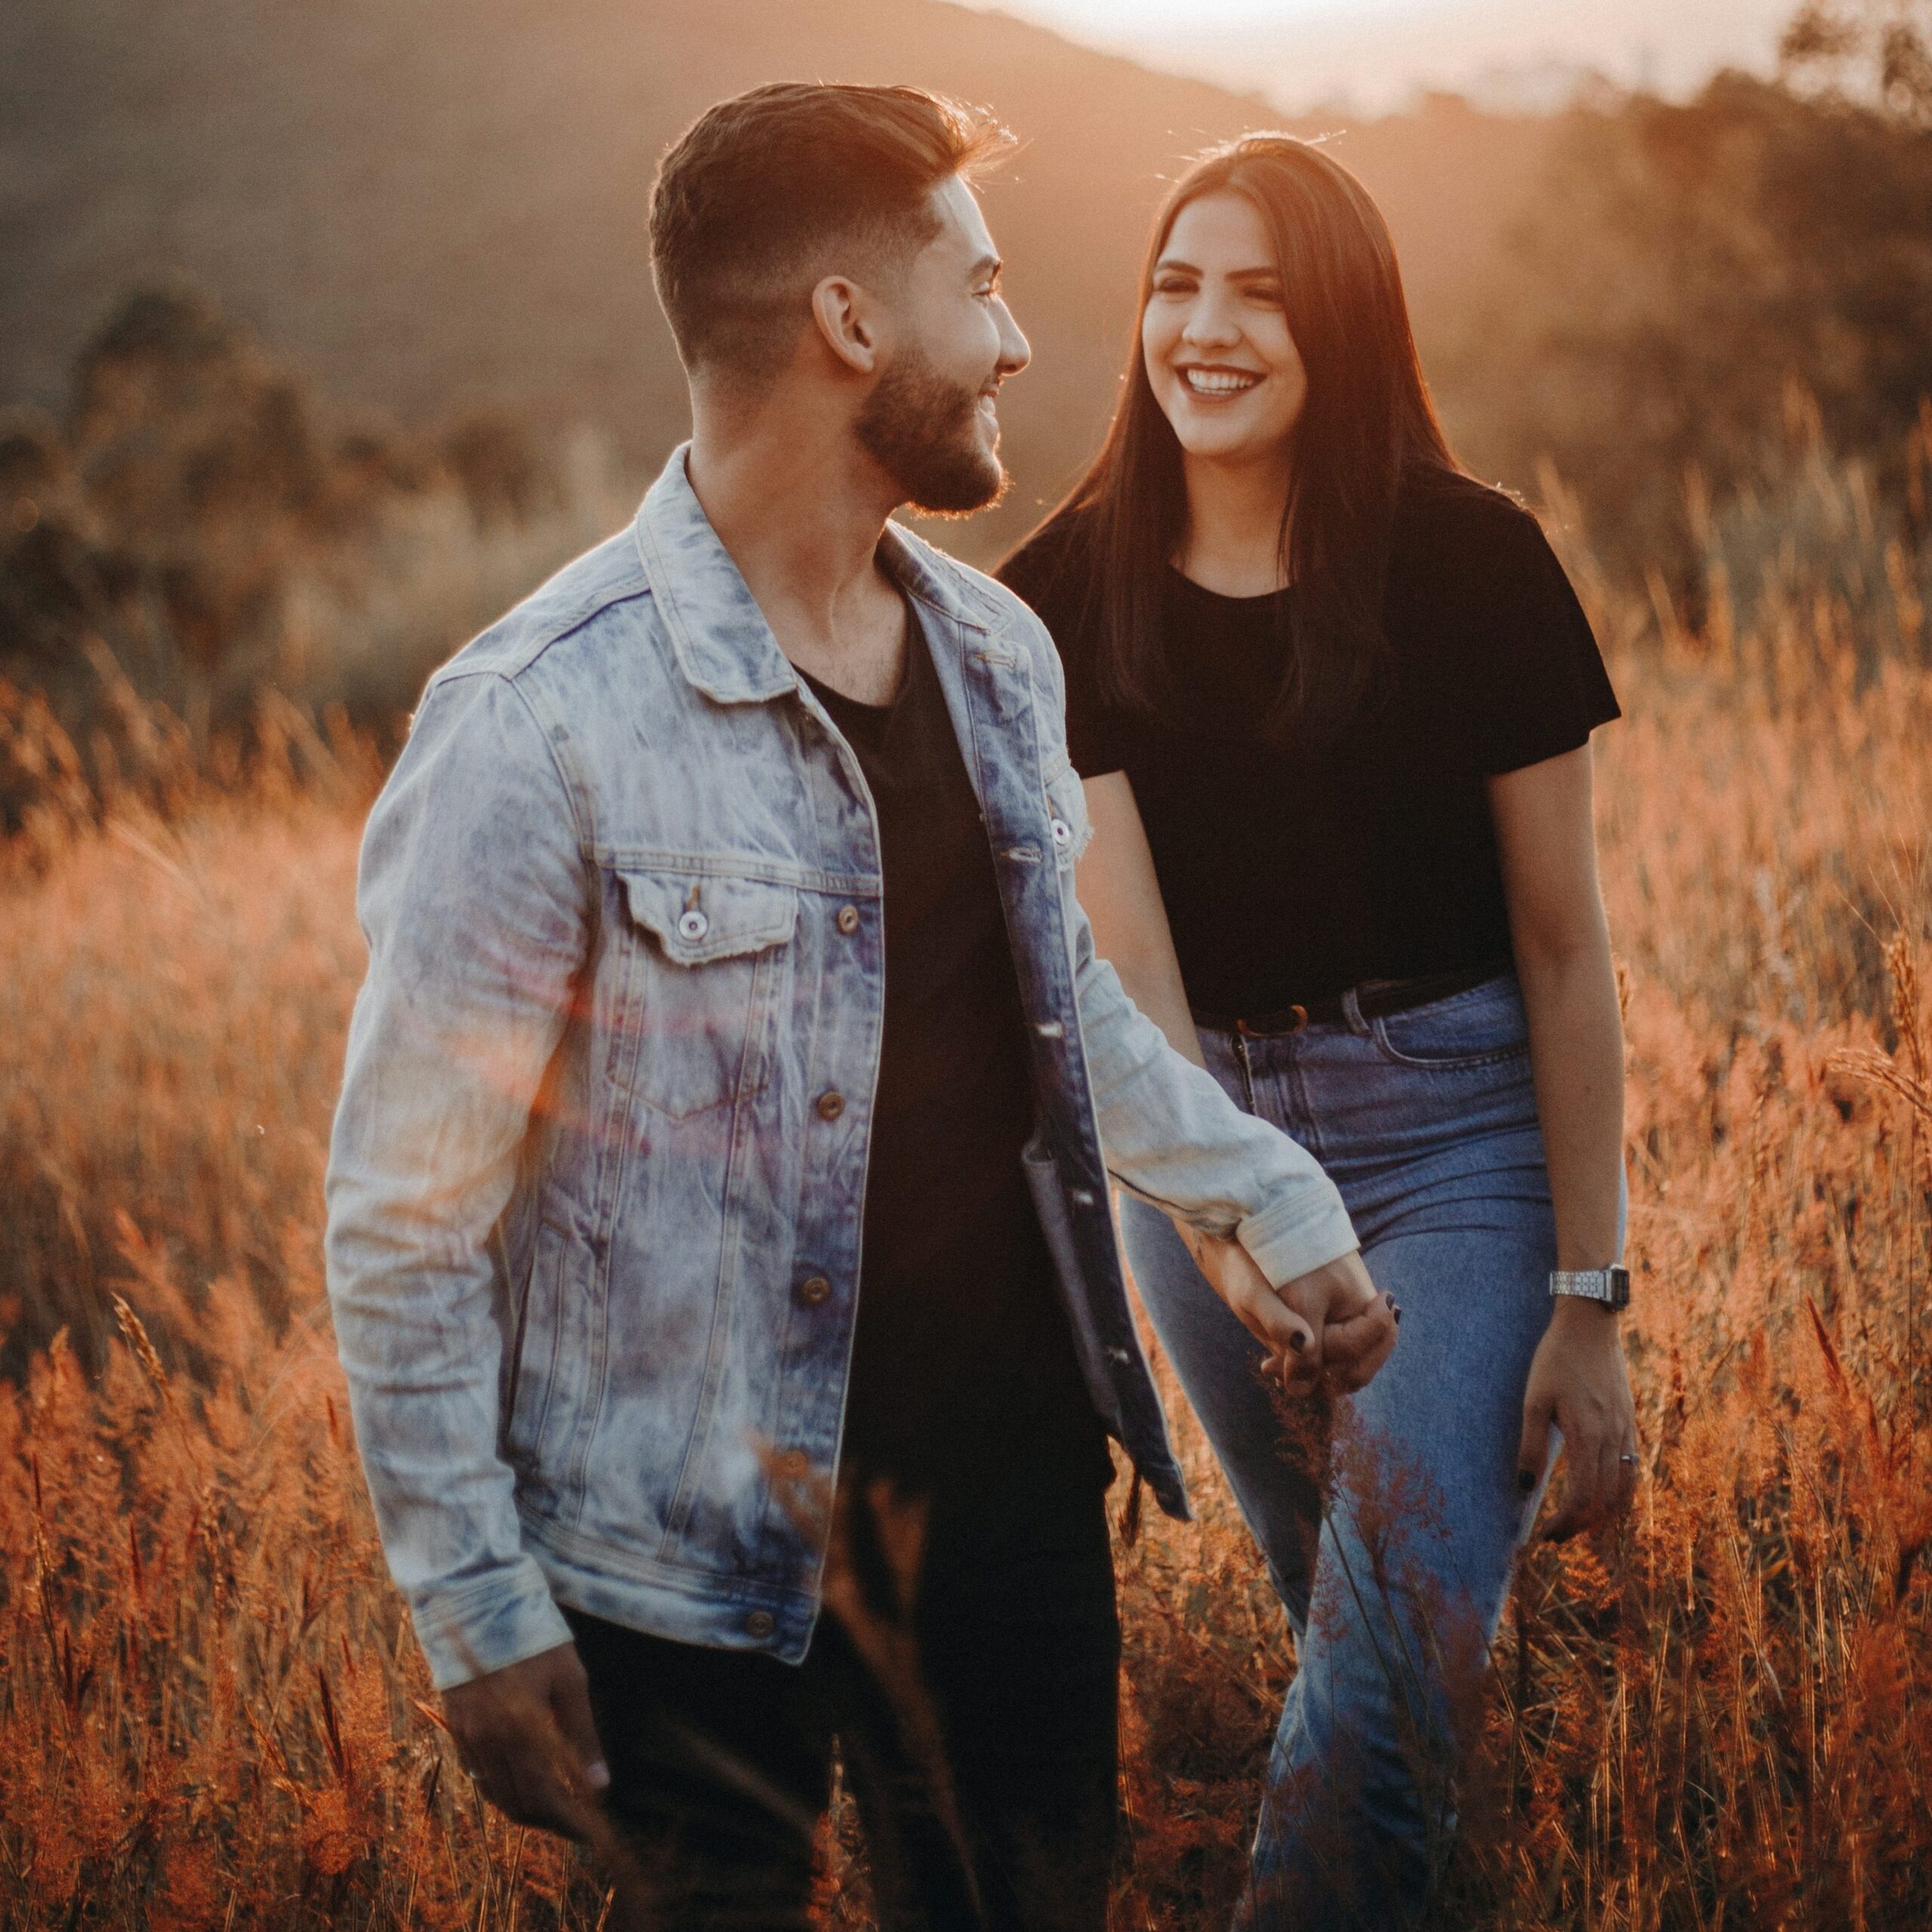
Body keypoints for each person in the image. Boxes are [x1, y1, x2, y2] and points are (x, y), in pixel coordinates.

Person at [324, 87, 1398, 1932]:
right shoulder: (534, 720)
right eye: (976, 285)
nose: (1016, 338)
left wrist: (1266, 1197)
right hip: (676, 1557)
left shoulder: (998, 655)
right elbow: (405, 1213)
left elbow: (1056, 1004)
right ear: (846, 322)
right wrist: (473, 1602)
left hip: (1010, 1522)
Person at [999, 134, 1639, 1927]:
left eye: (1258, 296)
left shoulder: (1473, 561)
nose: (1202, 329)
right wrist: (1227, 1224)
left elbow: (1562, 947)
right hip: (1197, 1139)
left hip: (1456, 1136)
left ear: (1340, 327)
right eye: (1174, 284)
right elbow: (1135, 980)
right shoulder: (1056, 598)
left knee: (1379, 1662)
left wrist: (1589, 1300)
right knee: (1345, 1625)